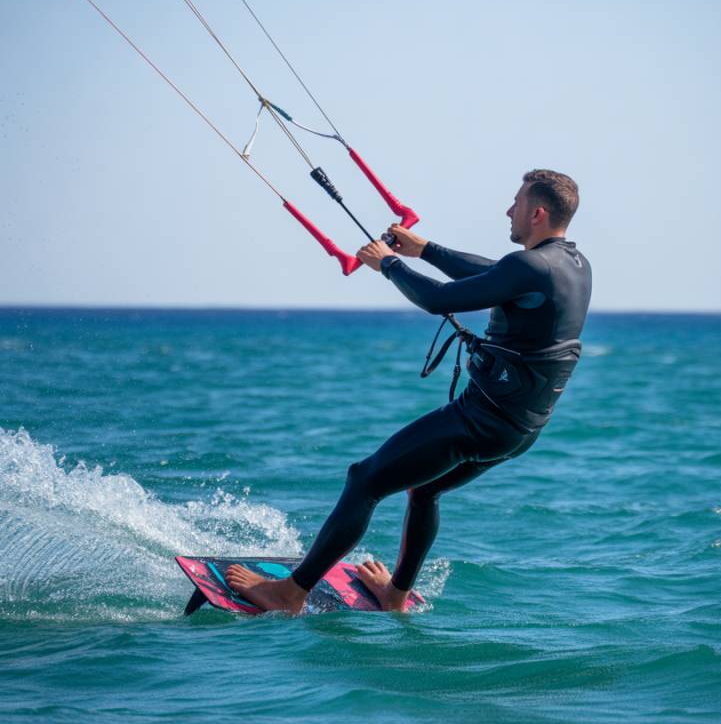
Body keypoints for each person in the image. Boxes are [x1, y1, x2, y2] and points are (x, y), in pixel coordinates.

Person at [226, 169, 592, 613]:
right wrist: (425, 250)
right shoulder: (571, 264)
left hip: (481, 422)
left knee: (365, 481)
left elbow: (442, 299)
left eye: (516, 202)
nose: (508, 210)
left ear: (537, 213)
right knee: (424, 490)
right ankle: (395, 596)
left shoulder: (529, 265)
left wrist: (389, 264)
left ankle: (289, 593)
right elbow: (496, 275)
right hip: (519, 432)